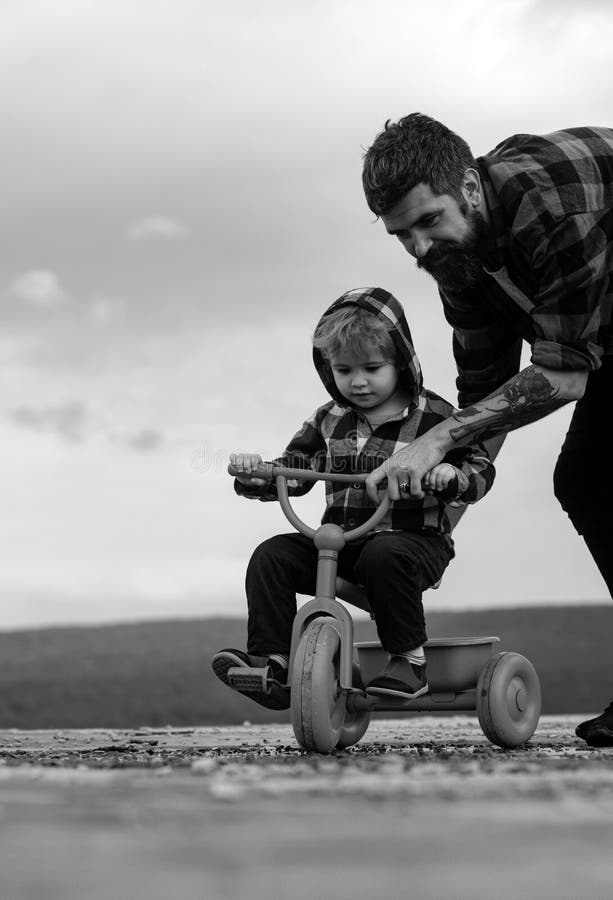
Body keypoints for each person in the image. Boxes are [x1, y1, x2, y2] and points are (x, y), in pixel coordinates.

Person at [361, 113, 613, 746]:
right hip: (600, 334)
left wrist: (438, 441)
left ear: (470, 188)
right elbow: (485, 394)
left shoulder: (549, 208)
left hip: (588, 340)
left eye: (428, 221)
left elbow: (561, 376)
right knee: (590, 481)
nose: (419, 248)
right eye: (402, 235)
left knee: (591, 477)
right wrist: (426, 521)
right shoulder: (459, 262)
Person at [212, 287, 495, 709]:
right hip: (343, 540)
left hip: (414, 541)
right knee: (272, 555)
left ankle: (408, 660)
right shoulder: (328, 418)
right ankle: (274, 662)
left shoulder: (436, 416)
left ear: (400, 360)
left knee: (386, 554)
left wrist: (449, 474)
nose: (357, 382)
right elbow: (294, 470)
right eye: (343, 370)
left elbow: (480, 470)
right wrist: (258, 474)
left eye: (372, 368)